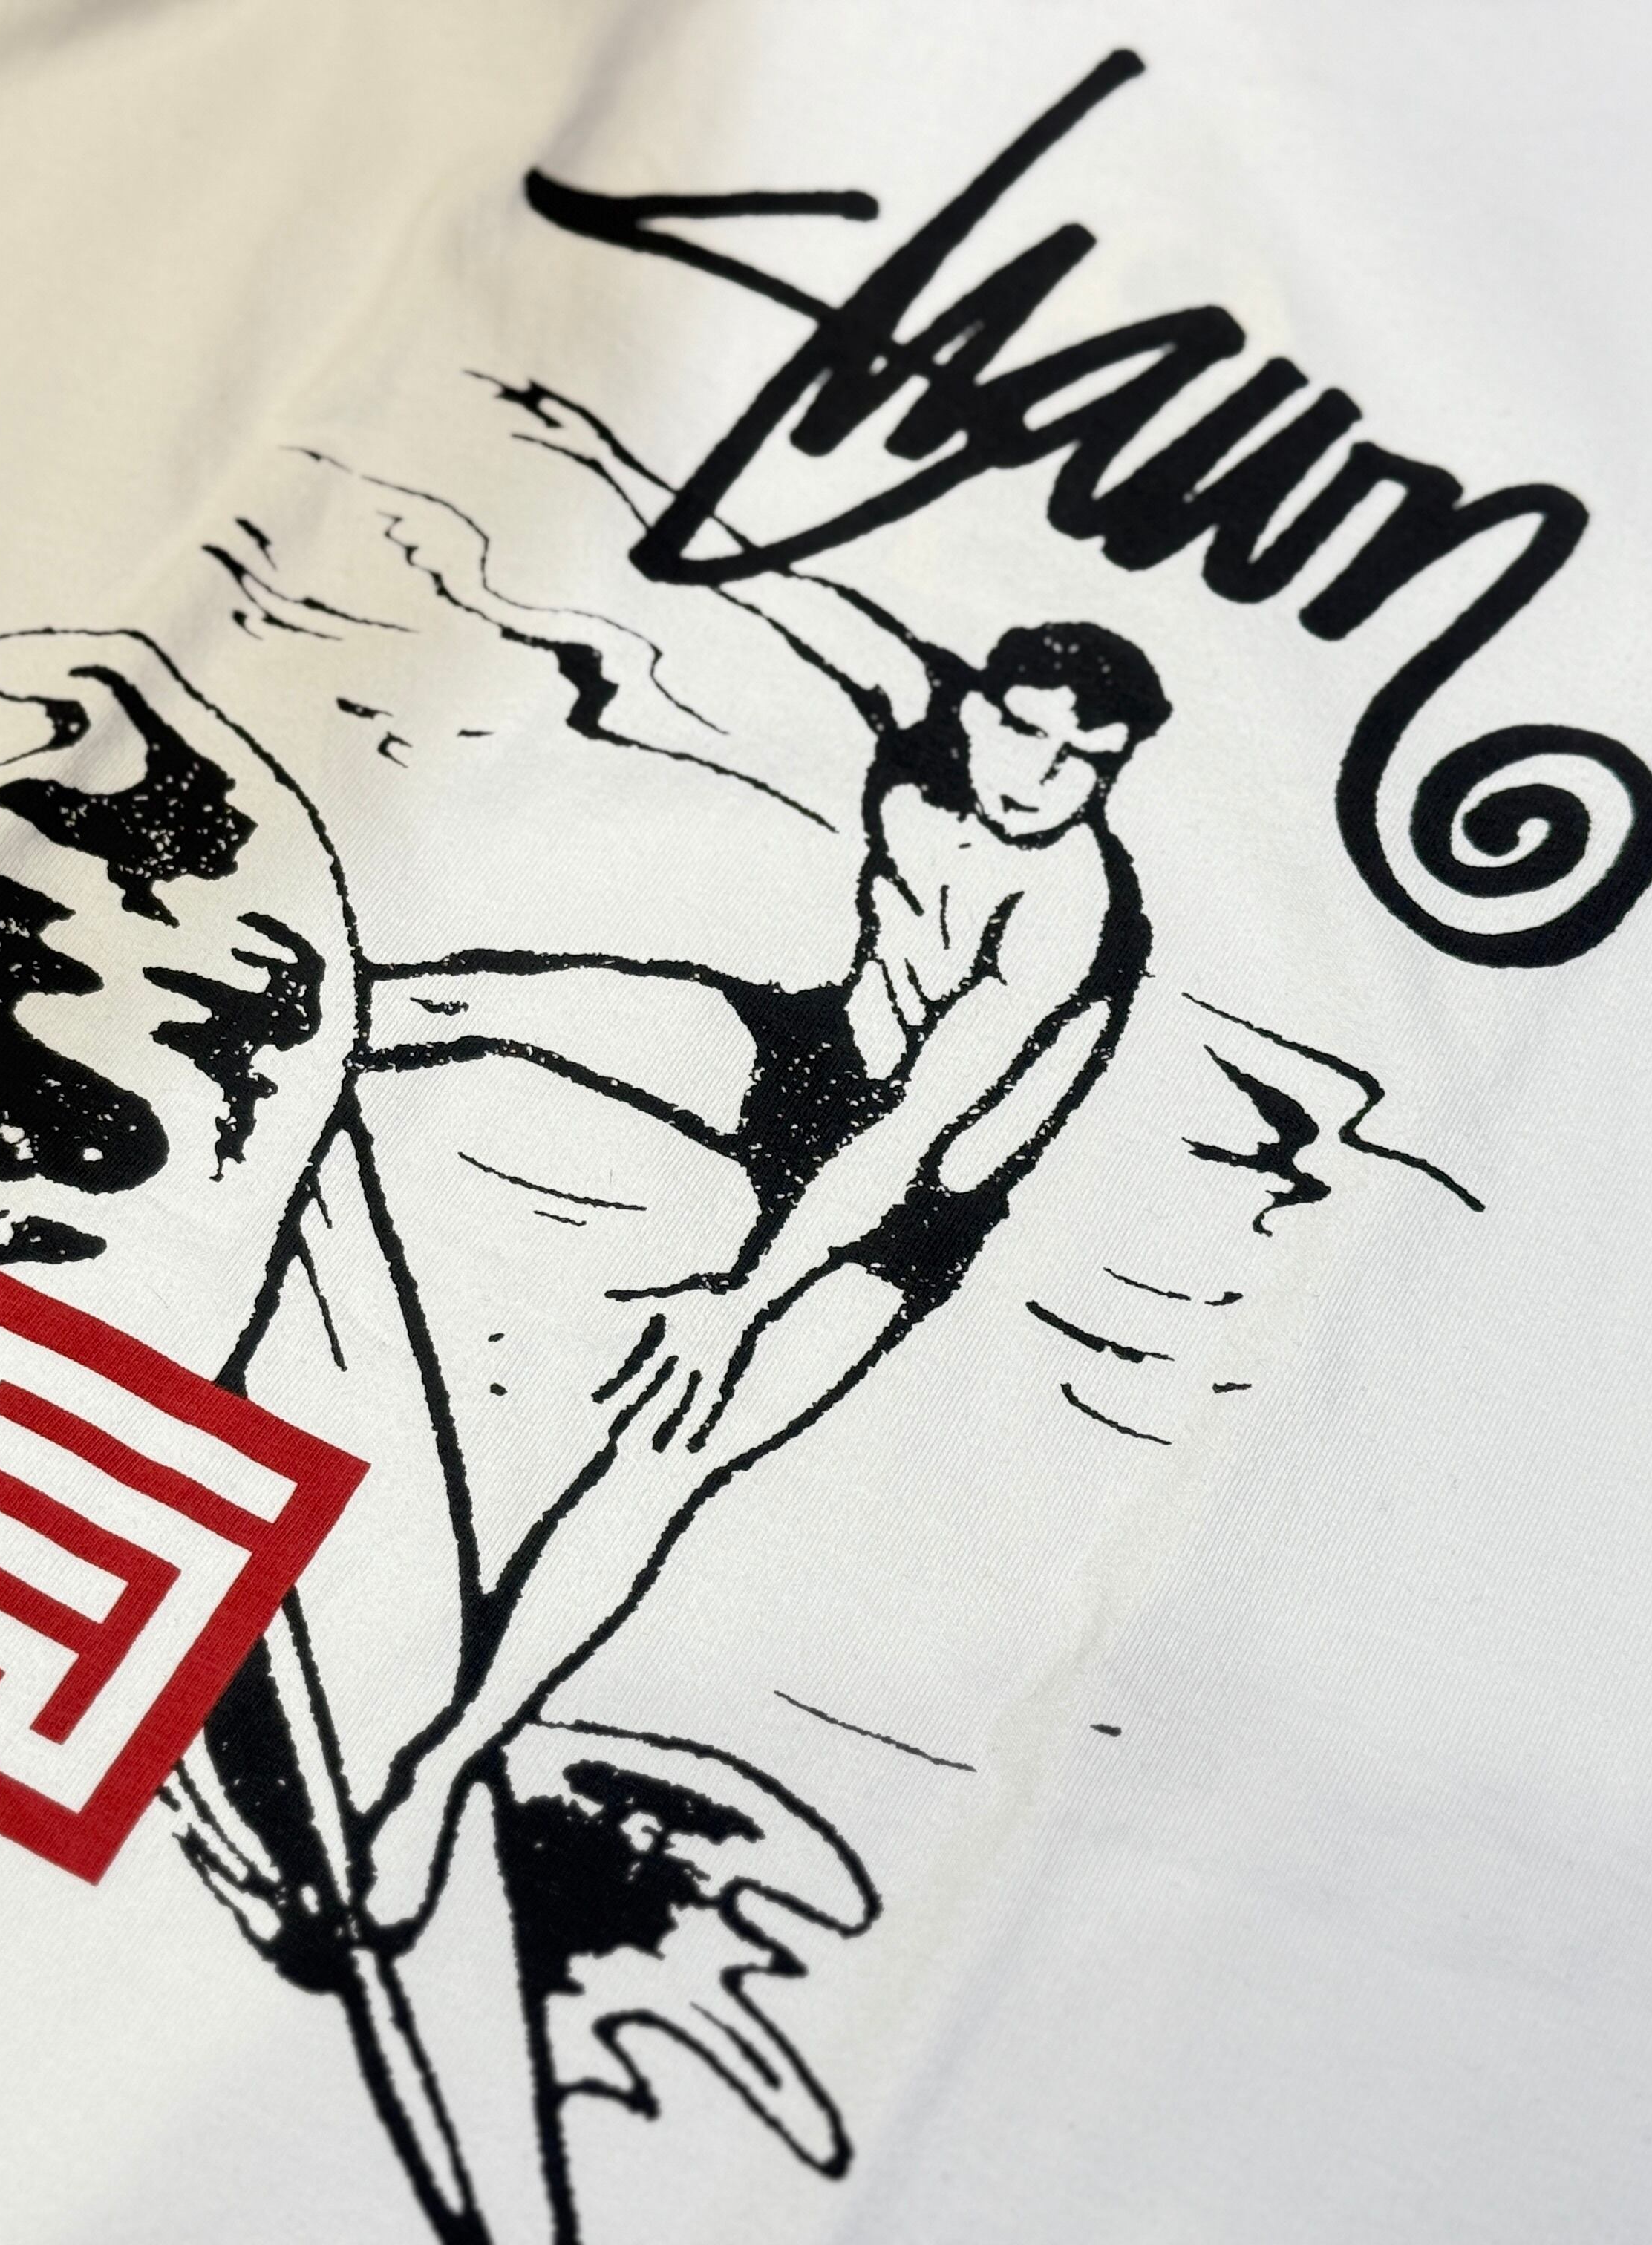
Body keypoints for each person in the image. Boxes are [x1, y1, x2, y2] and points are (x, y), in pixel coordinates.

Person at [350, 619, 1171, 1932]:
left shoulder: (1069, 916)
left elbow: (916, 1136)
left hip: (913, 1204)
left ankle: (445, 1769)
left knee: (660, 1463)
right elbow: (817, 612)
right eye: (1024, 730)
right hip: (820, 1055)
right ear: (976, 709)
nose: (1041, 775)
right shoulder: (922, 738)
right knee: (457, 1003)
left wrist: (740, 1303)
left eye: (1086, 761)